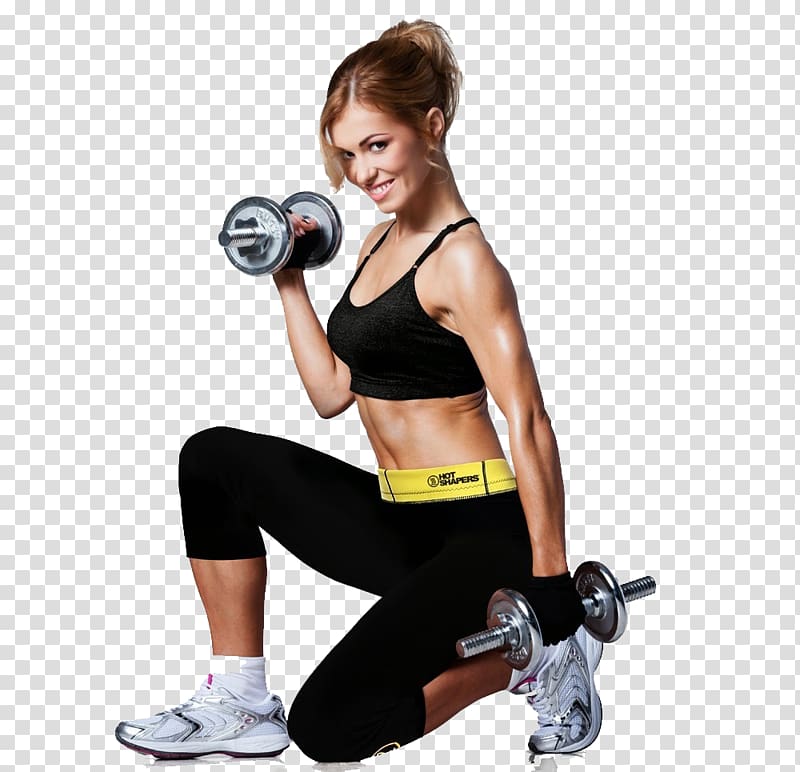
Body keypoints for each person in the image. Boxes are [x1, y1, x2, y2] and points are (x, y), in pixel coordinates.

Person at [115, 19, 604, 763]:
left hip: (479, 535)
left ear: (431, 126)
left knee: (329, 728)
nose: (362, 173)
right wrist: (288, 277)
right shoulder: (378, 240)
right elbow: (332, 393)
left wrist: (551, 584)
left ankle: (530, 659)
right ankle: (240, 698)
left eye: (377, 145)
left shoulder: (465, 262)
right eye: (347, 155)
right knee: (213, 460)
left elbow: (528, 421)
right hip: (399, 519)